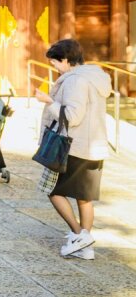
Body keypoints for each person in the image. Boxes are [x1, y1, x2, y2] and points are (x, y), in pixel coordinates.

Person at [35, 38, 111, 260]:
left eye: (55, 63)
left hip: (74, 146)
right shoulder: (94, 77)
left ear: (66, 60)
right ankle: (85, 248)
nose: (54, 68)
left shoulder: (75, 81)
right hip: (94, 146)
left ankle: (80, 235)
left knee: (53, 191)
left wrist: (48, 101)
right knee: (83, 197)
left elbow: (72, 116)